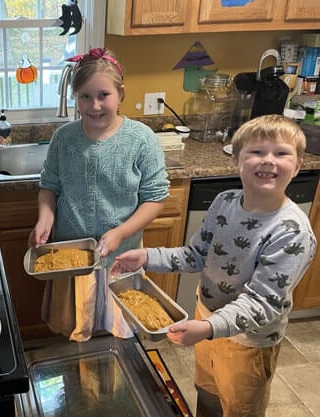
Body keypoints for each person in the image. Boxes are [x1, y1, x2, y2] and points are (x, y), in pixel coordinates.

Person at [111, 114, 317, 417]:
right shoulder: (225, 202)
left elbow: (263, 302)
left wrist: (209, 328)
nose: (268, 161)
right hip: (206, 318)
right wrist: (147, 256)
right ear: (235, 161)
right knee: (207, 395)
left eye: (281, 153)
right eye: (257, 152)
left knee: (239, 409)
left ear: (298, 166)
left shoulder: (291, 231)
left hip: (249, 342)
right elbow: (195, 255)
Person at [27, 47, 170, 342]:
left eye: (103, 95)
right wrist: (45, 219)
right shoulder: (63, 139)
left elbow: (155, 198)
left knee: (117, 336)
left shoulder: (142, 140)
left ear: (120, 93)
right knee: (75, 329)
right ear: (75, 97)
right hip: (71, 257)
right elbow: (49, 187)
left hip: (121, 258)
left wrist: (120, 232)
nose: (94, 106)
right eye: (84, 97)